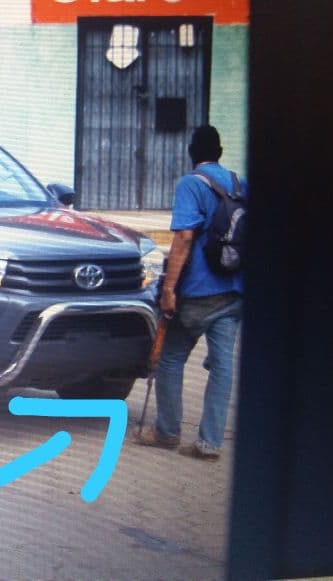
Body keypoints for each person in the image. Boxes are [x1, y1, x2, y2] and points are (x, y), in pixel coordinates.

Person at [135, 125, 246, 461]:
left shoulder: (190, 184)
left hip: (198, 292)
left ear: (191, 153)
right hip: (233, 290)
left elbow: (184, 237)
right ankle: (209, 443)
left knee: (170, 358)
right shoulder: (240, 184)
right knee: (223, 365)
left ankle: (167, 432)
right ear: (220, 153)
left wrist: (168, 288)